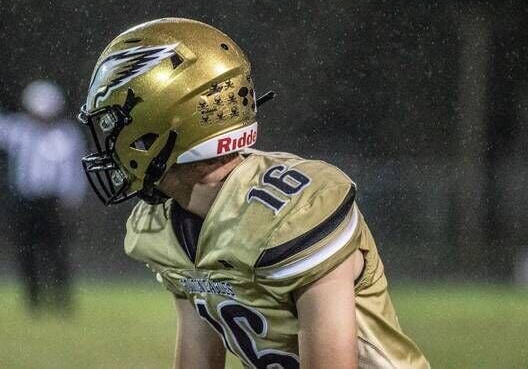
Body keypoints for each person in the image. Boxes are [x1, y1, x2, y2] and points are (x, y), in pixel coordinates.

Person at [79, 18, 429, 368]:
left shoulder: (295, 211)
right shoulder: (162, 223)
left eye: (115, 126)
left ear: (166, 123)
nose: (109, 146)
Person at [0, 76, 87, 313]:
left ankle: (62, 299)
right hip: (25, 202)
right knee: (27, 252)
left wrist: (73, 198)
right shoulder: (21, 129)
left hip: (55, 203)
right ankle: (33, 300)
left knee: (57, 252)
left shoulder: (67, 134)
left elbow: (76, 170)